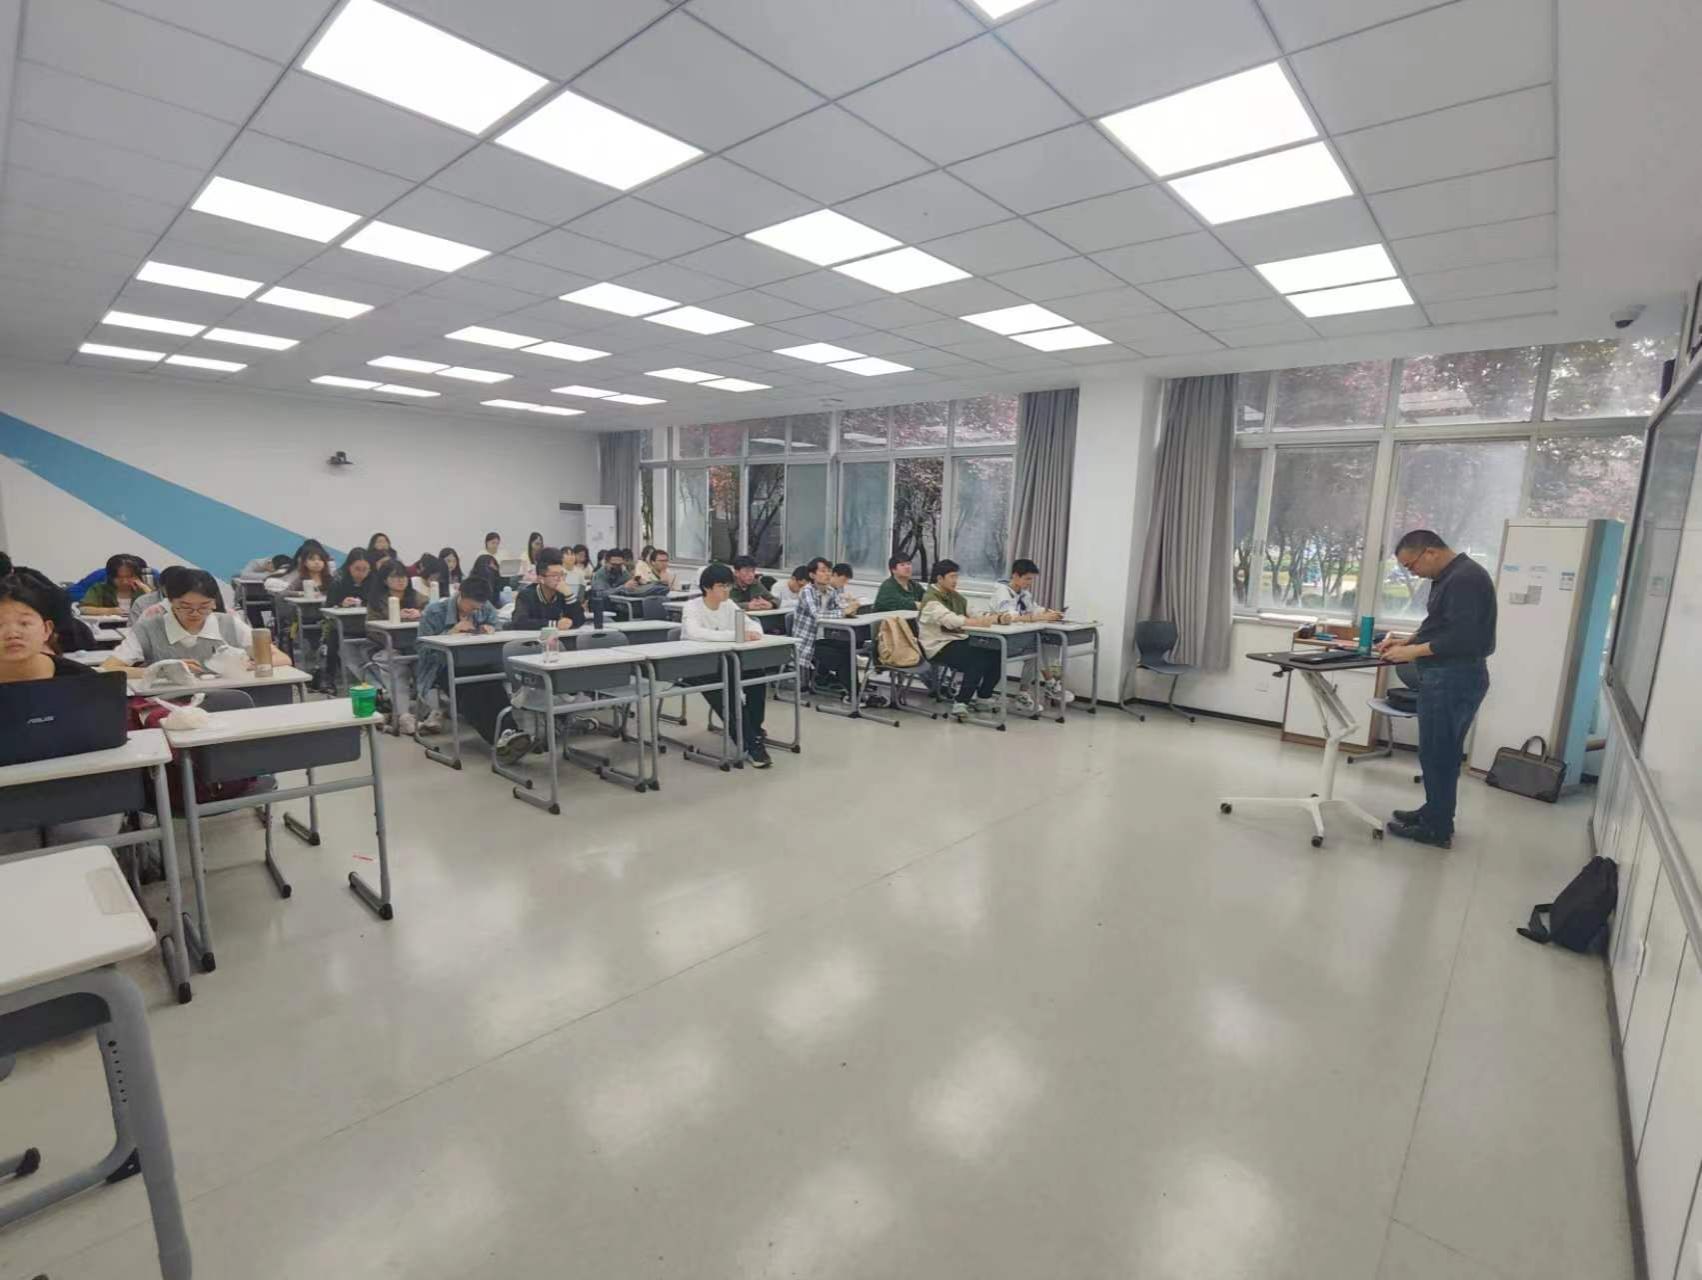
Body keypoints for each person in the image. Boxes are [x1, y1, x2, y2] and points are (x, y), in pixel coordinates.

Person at [1374, 530, 1498, 849]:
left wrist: (1411, 653)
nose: (1413, 573)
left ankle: (1437, 828)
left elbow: (1462, 638)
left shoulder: (1465, 579)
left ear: (1430, 552)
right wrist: (1408, 641)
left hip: (1455, 677)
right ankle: (1434, 811)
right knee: (1434, 752)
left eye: (1411, 566)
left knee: (1440, 753)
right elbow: (1439, 624)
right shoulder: (1447, 577)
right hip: (1445, 676)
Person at [0, 574, 125, 854]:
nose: (12, 633)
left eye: (24, 623)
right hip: (5, 795)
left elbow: (109, 740)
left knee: (83, 847)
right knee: (14, 856)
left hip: (78, 786)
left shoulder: (82, 679)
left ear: (46, 630)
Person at [682, 563, 772, 768]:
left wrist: (754, 632)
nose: (726, 590)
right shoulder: (693, 606)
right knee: (728, 689)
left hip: (726, 662)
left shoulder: (729, 605)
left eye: (728, 586)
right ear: (707, 587)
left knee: (757, 675)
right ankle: (751, 744)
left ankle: (753, 731)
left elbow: (750, 623)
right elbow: (696, 633)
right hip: (697, 666)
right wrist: (736, 634)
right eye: (721, 586)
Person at [108, 569, 278, 671]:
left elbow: (281, 658)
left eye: (204, 606)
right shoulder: (148, 628)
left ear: (214, 602)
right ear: (170, 602)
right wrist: (159, 671)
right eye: (185, 606)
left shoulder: (228, 623)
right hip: (170, 704)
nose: (195, 613)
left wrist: (247, 665)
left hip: (228, 699)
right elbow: (109, 668)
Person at [918, 559, 1006, 719]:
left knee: (996, 653)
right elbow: (950, 620)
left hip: (956, 639)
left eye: (956, 576)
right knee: (977, 658)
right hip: (937, 645)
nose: (955, 580)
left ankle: (983, 697)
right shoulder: (930, 600)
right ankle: (961, 702)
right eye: (952, 576)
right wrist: (978, 622)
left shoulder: (955, 596)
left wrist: (997, 618)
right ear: (939, 578)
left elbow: (974, 612)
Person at [412, 575, 499, 736]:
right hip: (443, 667)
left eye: (479, 608)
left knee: (495, 688)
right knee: (471, 695)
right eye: (472, 608)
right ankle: (496, 737)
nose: (476, 611)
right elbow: (422, 649)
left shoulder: (485, 606)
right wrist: (450, 633)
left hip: (478, 662)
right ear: (460, 594)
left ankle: (511, 731)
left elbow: (497, 627)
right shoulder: (434, 612)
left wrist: (491, 629)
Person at [793, 557, 861, 695]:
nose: (827, 574)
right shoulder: (807, 591)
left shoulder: (831, 591)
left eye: (829, 571)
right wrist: (844, 612)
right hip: (808, 642)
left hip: (826, 637)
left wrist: (850, 609)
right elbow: (817, 615)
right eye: (823, 571)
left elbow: (839, 609)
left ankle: (855, 692)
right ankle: (854, 694)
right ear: (812, 575)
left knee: (849, 648)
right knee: (841, 658)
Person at [512, 548, 585, 632]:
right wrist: (555, 624)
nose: (560, 579)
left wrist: (569, 595)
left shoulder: (563, 594)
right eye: (554, 575)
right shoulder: (526, 595)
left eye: (562, 574)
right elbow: (519, 622)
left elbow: (580, 620)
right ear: (541, 579)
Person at [990, 559, 1063, 622]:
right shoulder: (1003, 592)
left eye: (1031, 579)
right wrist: (1042, 617)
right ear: (1015, 575)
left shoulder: (1025, 594)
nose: (1030, 582)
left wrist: (1050, 612)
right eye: (1027, 579)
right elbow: (1011, 617)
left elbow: (1033, 609)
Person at [80, 554, 149, 615]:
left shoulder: (143, 589)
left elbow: (155, 604)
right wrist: (109, 611)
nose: (124, 581)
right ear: (111, 577)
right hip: (110, 624)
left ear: (137, 576)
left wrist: (145, 588)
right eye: (119, 577)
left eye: (129, 577)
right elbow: (83, 609)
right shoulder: (100, 588)